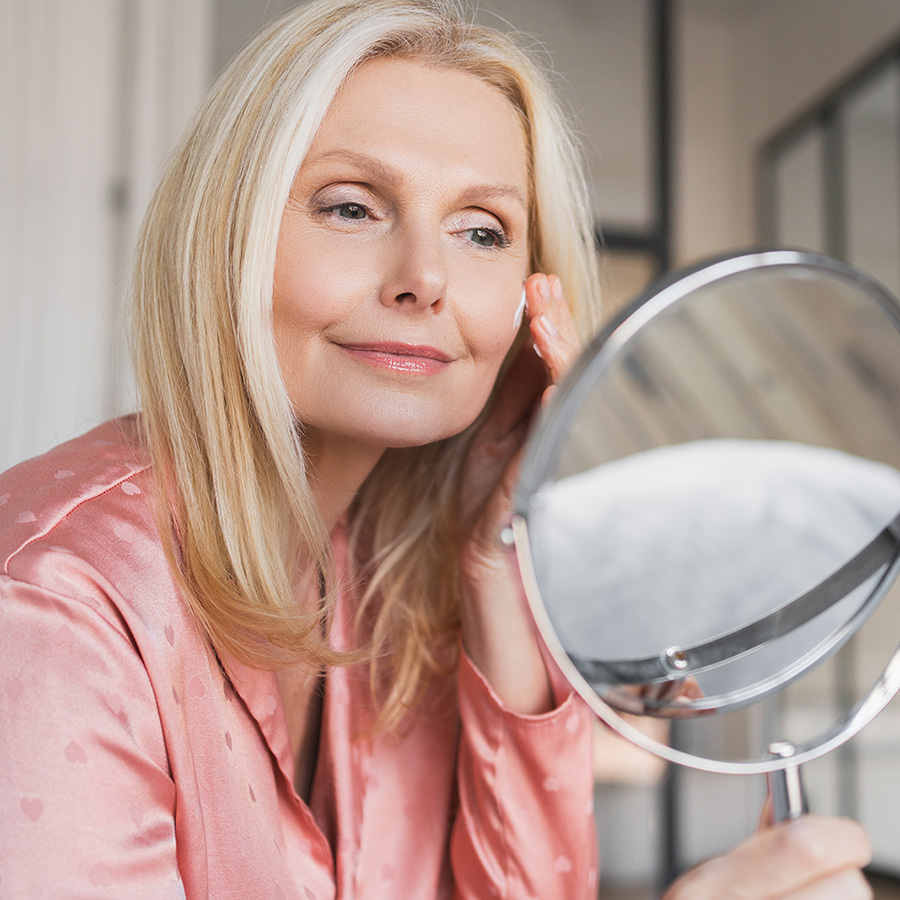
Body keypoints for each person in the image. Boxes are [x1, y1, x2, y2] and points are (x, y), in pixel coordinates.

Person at [0, 1, 873, 897]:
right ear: (225, 241)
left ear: (534, 297)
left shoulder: (396, 586)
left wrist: (497, 571)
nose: (425, 277)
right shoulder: (47, 610)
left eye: (482, 230)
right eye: (351, 207)